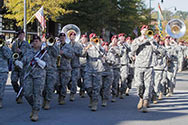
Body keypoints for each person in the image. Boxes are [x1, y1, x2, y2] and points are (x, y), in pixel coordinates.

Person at [130, 25, 163, 113]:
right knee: (139, 85)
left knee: (148, 86)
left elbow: (158, 51)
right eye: (144, 30)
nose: (145, 32)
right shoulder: (136, 40)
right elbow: (132, 51)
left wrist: (152, 41)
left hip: (149, 66)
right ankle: (141, 97)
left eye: (147, 30)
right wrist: (141, 41)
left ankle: (145, 102)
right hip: (139, 66)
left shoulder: (152, 40)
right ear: (141, 32)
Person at [22, 35, 51, 121]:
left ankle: (35, 112)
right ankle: (34, 106)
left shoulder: (44, 53)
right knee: (27, 93)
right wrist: (18, 63)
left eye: (37, 41)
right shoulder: (28, 52)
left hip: (39, 76)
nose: (35, 42)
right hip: (29, 75)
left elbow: (48, 65)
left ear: (40, 42)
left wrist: (40, 62)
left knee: (37, 94)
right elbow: (24, 62)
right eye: (34, 41)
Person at [11, 29, 31, 104]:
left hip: (23, 65)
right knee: (13, 80)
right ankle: (18, 91)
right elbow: (12, 53)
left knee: (23, 82)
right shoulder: (14, 43)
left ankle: (20, 96)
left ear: (24, 35)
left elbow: (29, 53)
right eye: (19, 34)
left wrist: (21, 51)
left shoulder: (27, 44)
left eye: (21, 34)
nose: (20, 36)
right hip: (16, 64)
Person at [42, 35, 59, 110]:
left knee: (50, 86)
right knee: (43, 87)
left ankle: (48, 101)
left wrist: (52, 46)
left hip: (52, 69)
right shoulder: (42, 46)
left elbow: (56, 54)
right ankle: (44, 99)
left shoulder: (54, 47)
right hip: (43, 69)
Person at [57, 33, 74, 105]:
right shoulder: (56, 46)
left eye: (63, 37)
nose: (62, 38)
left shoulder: (68, 46)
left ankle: (62, 97)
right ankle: (59, 94)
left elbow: (71, 55)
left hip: (65, 68)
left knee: (63, 84)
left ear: (65, 38)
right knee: (57, 84)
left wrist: (63, 53)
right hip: (57, 68)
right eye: (60, 37)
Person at [69, 30, 85, 101]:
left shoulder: (78, 45)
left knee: (74, 80)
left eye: (74, 35)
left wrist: (75, 51)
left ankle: (72, 94)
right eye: (71, 35)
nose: (73, 36)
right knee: (66, 81)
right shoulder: (66, 44)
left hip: (75, 65)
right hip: (67, 66)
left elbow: (82, 54)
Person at [0, 35, 12, 108]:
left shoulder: (6, 48)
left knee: (1, 87)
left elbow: (9, 57)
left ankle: (0, 100)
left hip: (3, 70)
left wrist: (3, 48)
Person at [109, 35, 121, 102]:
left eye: (116, 39)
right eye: (113, 39)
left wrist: (115, 49)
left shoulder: (119, 47)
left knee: (115, 82)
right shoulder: (108, 45)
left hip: (116, 66)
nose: (115, 40)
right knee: (109, 82)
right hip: (109, 66)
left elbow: (120, 54)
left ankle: (114, 95)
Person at [118, 33, 130, 99]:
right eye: (121, 37)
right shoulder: (115, 44)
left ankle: (122, 92)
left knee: (124, 78)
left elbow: (131, 51)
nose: (122, 38)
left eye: (123, 37)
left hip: (124, 64)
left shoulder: (126, 45)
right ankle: (116, 91)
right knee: (116, 80)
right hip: (116, 65)